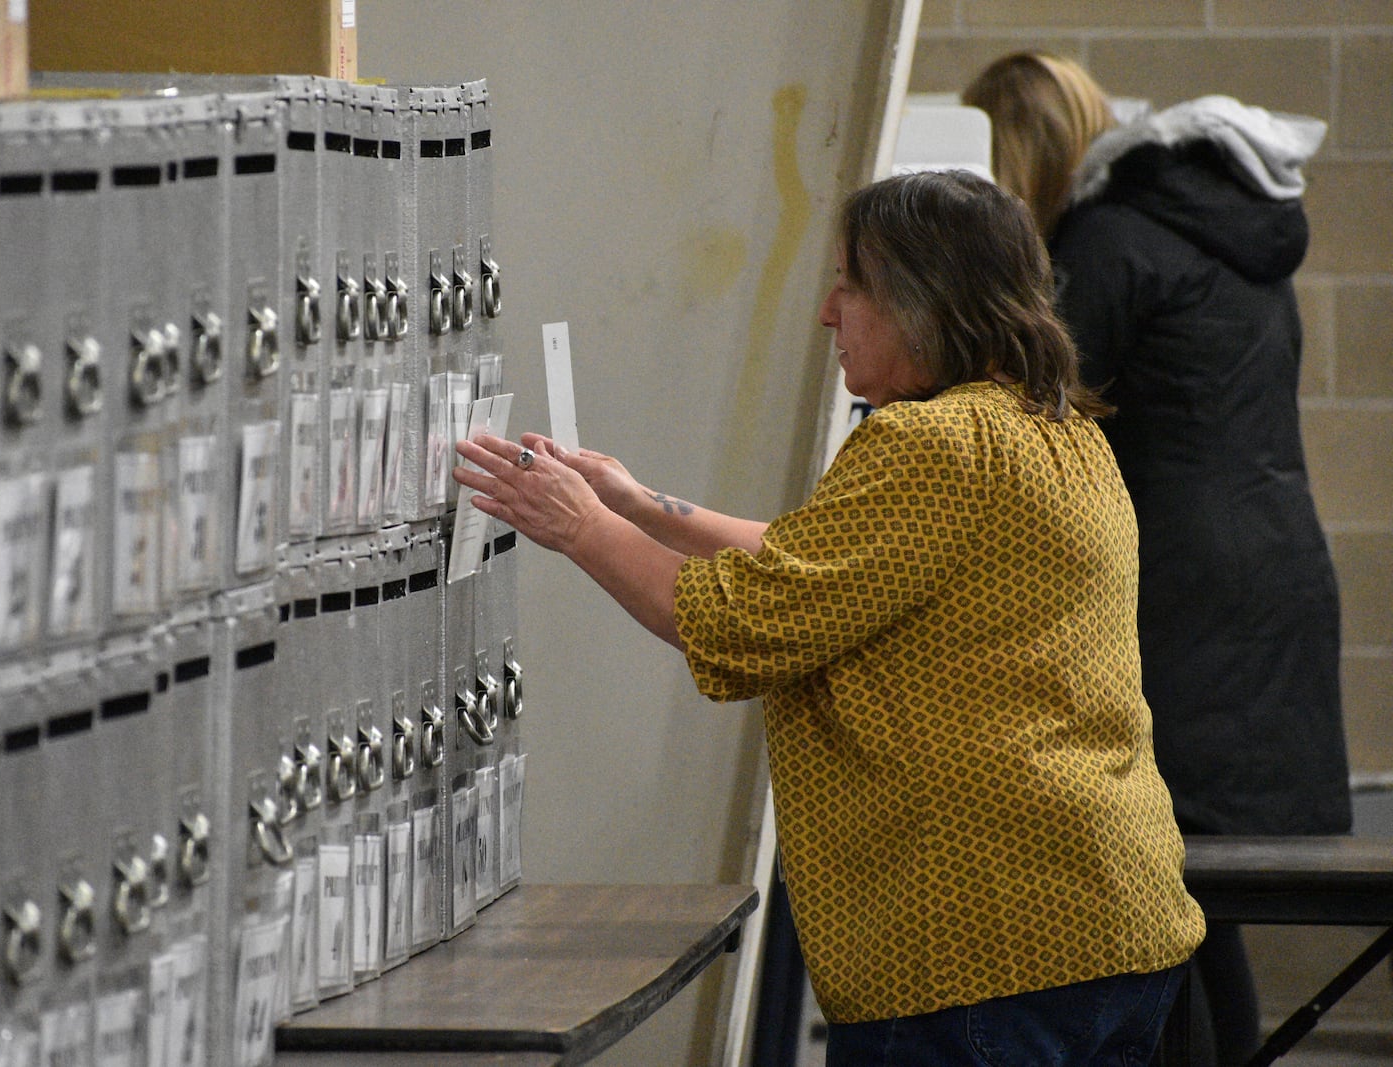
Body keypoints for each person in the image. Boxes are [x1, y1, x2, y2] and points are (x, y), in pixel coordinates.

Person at [454, 170, 1205, 1067]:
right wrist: (637, 503)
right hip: (1105, 919)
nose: (826, 312)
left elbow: (740, 622)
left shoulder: (928, 443)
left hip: (985, 944)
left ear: (920, 301)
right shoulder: (1053, 429)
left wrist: (577, 524)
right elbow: (834, 562)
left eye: (850, 285)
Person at [963, 53, 1354, 1067]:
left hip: (1185, 598)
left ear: (1024, 155)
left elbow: (1030, 414)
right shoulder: (1222, 233)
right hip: (1264, 576)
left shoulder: (1107, 243)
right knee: (1188, 887)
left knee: (1157, 884)